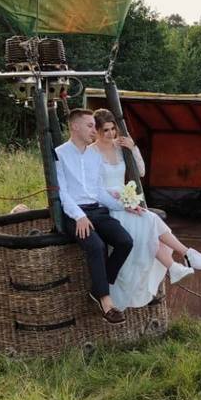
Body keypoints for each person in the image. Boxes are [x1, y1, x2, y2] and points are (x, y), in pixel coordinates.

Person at [90, 109, 201, 309]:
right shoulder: (91, 153)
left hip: (128, 201)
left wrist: (133, 148)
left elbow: (140, 171)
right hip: (108, 205)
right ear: (96, 131)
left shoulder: (120, 147)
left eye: (113, 129)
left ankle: (181, 261)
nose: (111, 133)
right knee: (150, 221)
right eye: (106, 130)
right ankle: (184, 257)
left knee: (150, 223)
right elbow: (94, 188)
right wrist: (121, 201)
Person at [54, 108, 134, 324]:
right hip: (74, 214)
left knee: (125, 241)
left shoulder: (94, 156)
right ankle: (106, 302)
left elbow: (99, 191)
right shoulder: (59, 154)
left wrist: (124, 206)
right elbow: (62, 192)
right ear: (75, 127)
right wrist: (79, 216)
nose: (94, 130)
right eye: (90, 126)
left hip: (97, 210)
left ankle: (99, 288)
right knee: (97, 246)